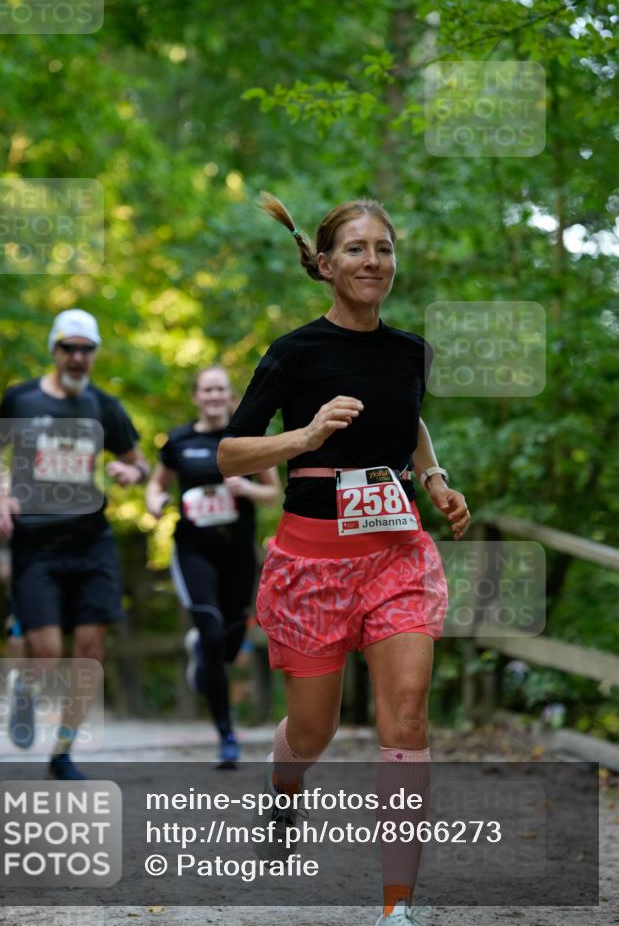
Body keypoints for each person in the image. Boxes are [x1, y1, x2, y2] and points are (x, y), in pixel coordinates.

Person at [218, 194, 470, 924]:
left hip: (396, 555)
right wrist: (304, 437)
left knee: (406, 716)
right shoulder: (294, 353)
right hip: (310, 563)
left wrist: (433, 478)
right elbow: (230, 451)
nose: (373, 261)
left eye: (384, 248)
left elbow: (409, 416)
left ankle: (397, 906)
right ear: (325, 265)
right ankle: (284, 785)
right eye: (356, 249)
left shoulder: (410, 350)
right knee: (312, 731)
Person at [0, 309, 150, 779]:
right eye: (68, 348)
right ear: (54, 351)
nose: (77, 357)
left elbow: (140, 464)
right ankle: (26, 692)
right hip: (35, 542)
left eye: (86, 349)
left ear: (94, 354)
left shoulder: (104, 406)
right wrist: (0, 497)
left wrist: (129, 472)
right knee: (48, 650)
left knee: (91, 650)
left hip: (91, 542)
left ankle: (62, 752)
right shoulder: (21, 399)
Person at [146, 365, 280, 767]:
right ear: (196, 396)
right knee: (209, 627)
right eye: (206, 390)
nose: (214, 396)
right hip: (194, 550)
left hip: (238, 554)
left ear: (230, 395)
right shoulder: (180, 440)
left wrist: (248, 488)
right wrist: (155, 503)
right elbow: (158, 483)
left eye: (220, 389)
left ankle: (204, 660)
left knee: (228, 642)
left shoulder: (246, 439)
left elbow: (273, 493)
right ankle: (226, 735)